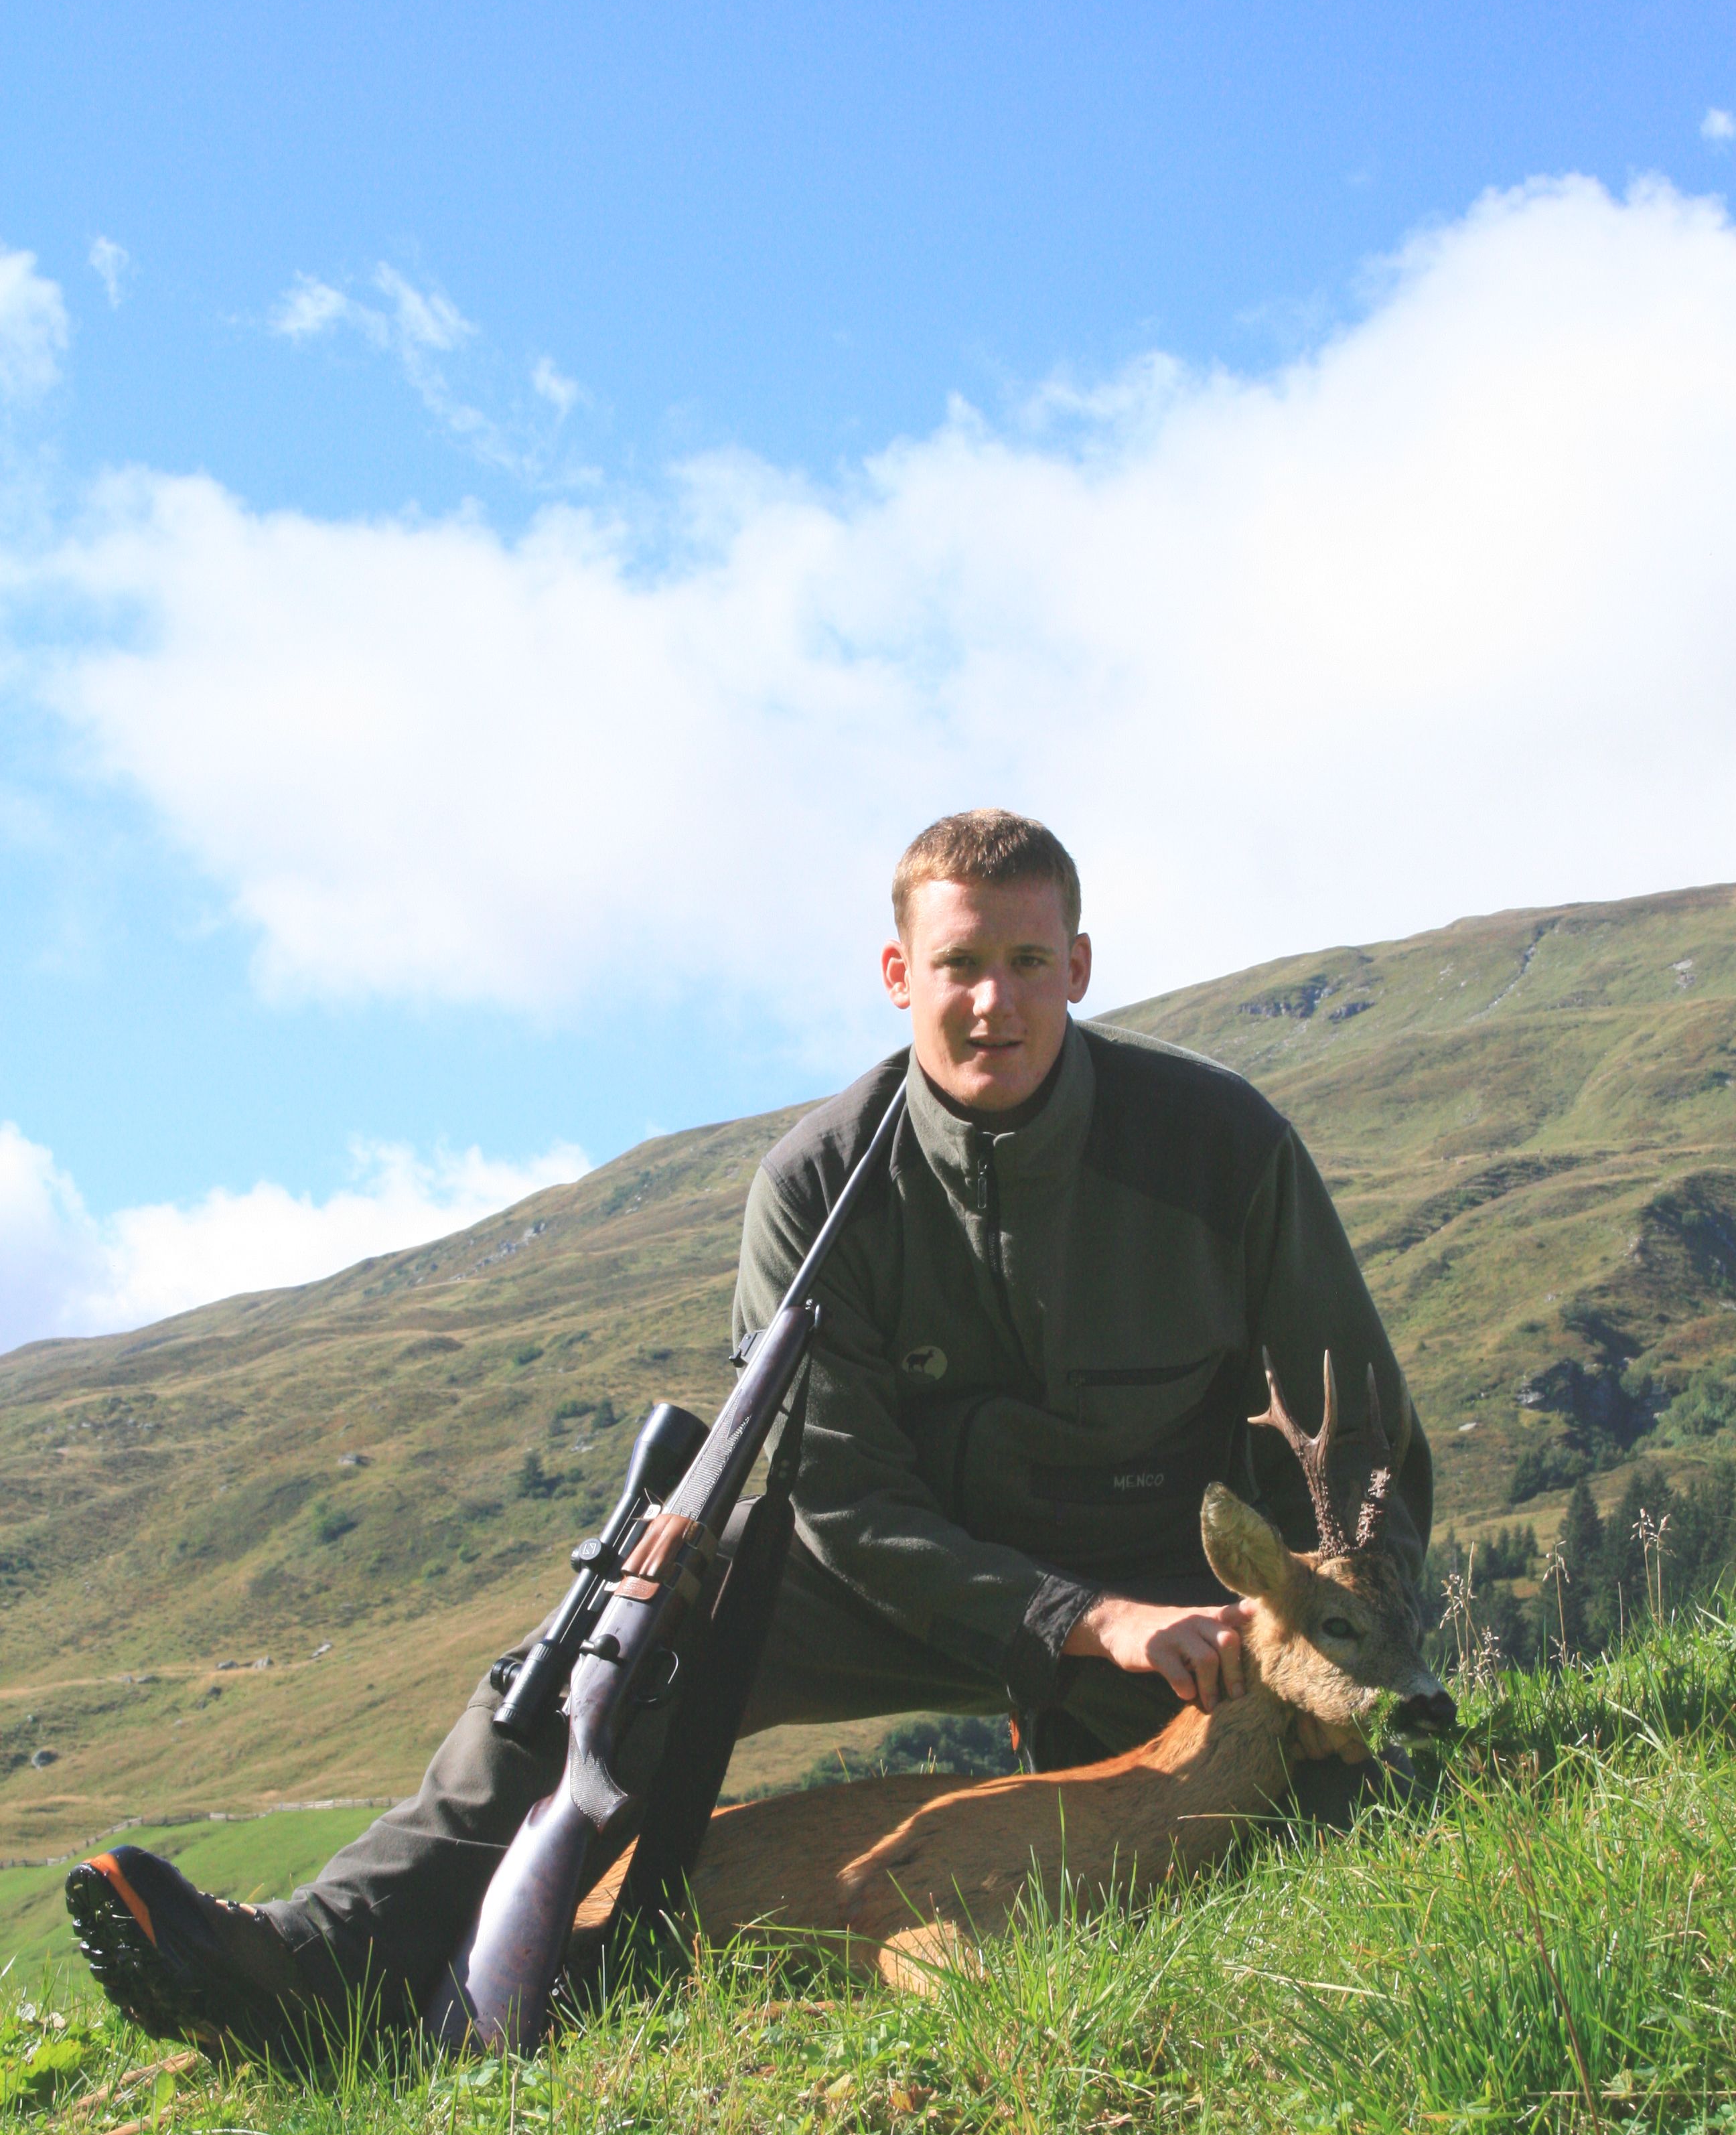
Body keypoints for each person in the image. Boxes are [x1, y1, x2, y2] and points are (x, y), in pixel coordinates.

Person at [66, 811, 1432, 2064]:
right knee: (628, 1642)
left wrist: (1354, 1616)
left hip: (1175, 1594)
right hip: (918, 1574)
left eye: (1027, 960)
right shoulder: (820, 1184)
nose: (993, 1001)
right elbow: (843, 1499)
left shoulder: (1221, 1146)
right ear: (898, 975)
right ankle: (322, 1955)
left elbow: (1358, 1423)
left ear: (1079, 964)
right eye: (960, 963)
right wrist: (1085, 1621)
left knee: (1284, 1841)